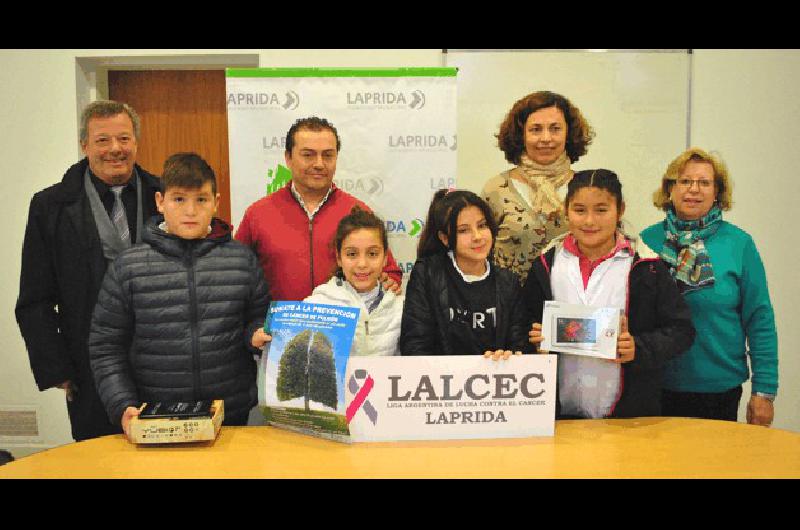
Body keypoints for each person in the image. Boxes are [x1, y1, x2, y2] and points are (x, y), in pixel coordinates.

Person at [89, 153, 270, 435]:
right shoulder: (129, 267)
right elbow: (106, 347)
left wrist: (256, 334)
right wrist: (122, 403)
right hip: (155, 417)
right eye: (179, 199)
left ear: (216, 203)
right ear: (160, 202)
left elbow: (256, 320)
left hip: (230, 415)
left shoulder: (242, 260)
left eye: (201, 199)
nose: (190, 211)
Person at [16, 100, 162, 441]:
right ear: (84, 145)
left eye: (124, 139)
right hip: (88, 368)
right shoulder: (50, 207)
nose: (115, 149)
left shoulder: (166, 196)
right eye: (102, 140)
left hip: (162, 364)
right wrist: (58, 370)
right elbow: (34, 299)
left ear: (136, 142)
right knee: (99, 464)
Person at [525, 169, 695, 419]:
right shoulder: (546, 265)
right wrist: (534, 341)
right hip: (558, 417)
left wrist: (638, 348)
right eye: (579, 210)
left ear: (620, 210)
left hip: (628, 417)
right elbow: (522, 325)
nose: (590, 221)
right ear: (565, 210)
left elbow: (682, 331)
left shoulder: (647, 266)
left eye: (602, 210)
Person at [640, 148, 778, 426]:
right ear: (670, 189)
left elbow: (760, 319)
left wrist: (765, 391)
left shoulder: (739, 244)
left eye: (704, 183)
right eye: (685, 181)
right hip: (654, 385)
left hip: (718, 390)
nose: (694, 190)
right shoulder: (645, 241)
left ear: (717, 192)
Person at [235, 116, 402, 302]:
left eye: (328, 155)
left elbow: (390, 274)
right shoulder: (258, 215)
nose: (319, 164)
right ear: (288, 158)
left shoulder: (357, 212)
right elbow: (234, 279)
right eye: (308, 155)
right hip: (277, 329)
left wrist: (390, 281)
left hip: (344, 330)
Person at [400, 189, 530, 359]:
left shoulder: (508, 281)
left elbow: (520, 344)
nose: (477, 237)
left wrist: (508, 356)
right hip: (441, 380)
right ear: (445, 238)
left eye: (482, 226)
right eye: (463, 230)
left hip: (495, 380)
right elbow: (415, 345)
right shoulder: (427, 273)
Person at [483, 91, 594, 284]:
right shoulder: (497, 189)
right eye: (535, 129)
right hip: (508, 307)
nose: (546, 138)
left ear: (568, 133)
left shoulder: (586, 188)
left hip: (571, 307)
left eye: (555, 129)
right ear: (521, 135)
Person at [304, 206, 403, 356]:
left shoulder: (401, 307)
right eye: (352, 254)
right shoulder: (315, 306)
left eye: (372, 254)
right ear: (339, 258)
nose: (362, 264)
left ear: (384, 258)